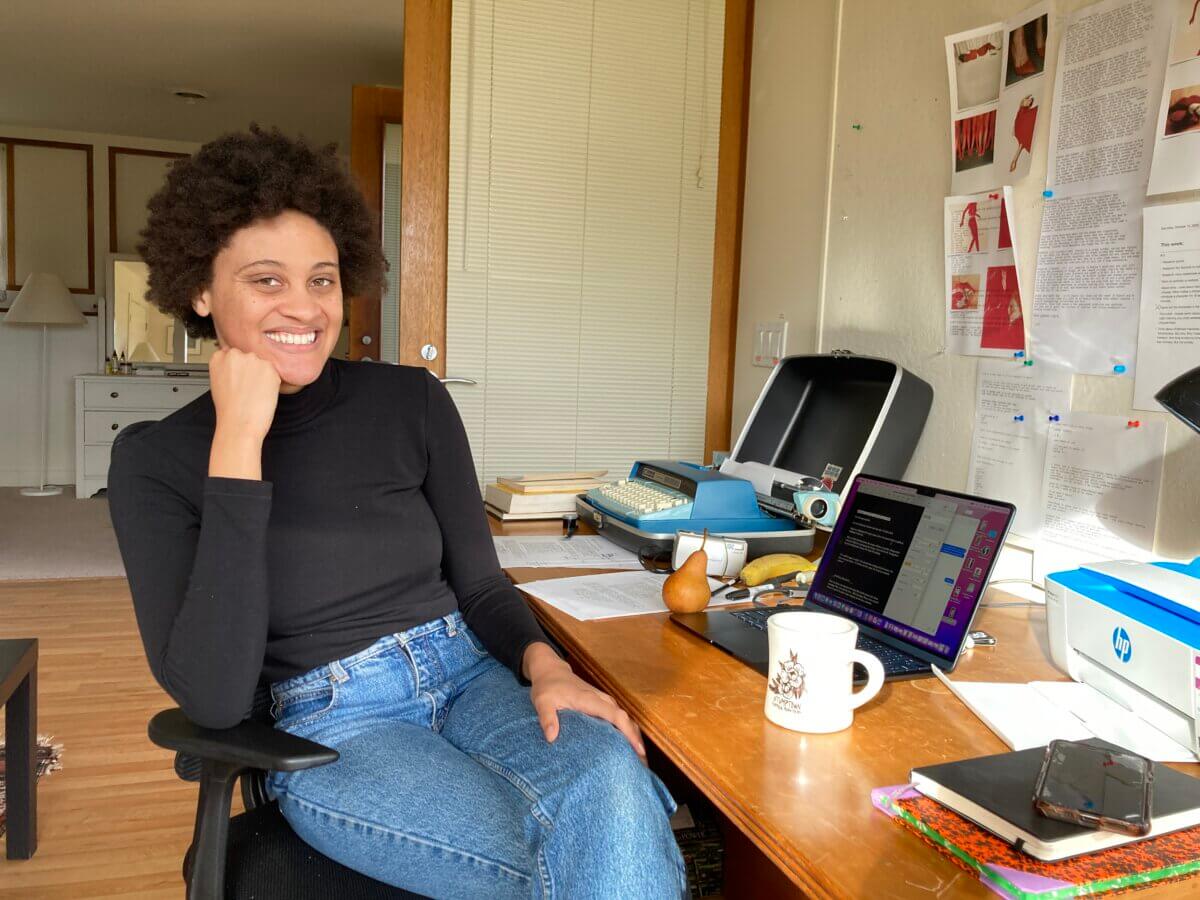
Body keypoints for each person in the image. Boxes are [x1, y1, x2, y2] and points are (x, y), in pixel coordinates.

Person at [107, 125, 686, 900]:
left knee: (610, 787)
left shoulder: (408, 399)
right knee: (584, 856)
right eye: (266, 281)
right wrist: (239, 442)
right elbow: (212, 698)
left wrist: (545, 668)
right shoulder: (156, 459)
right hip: (335, 723)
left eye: (322, 279)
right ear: (203, 291)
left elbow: (480, 586)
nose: (304, 308)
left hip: (474, 674)